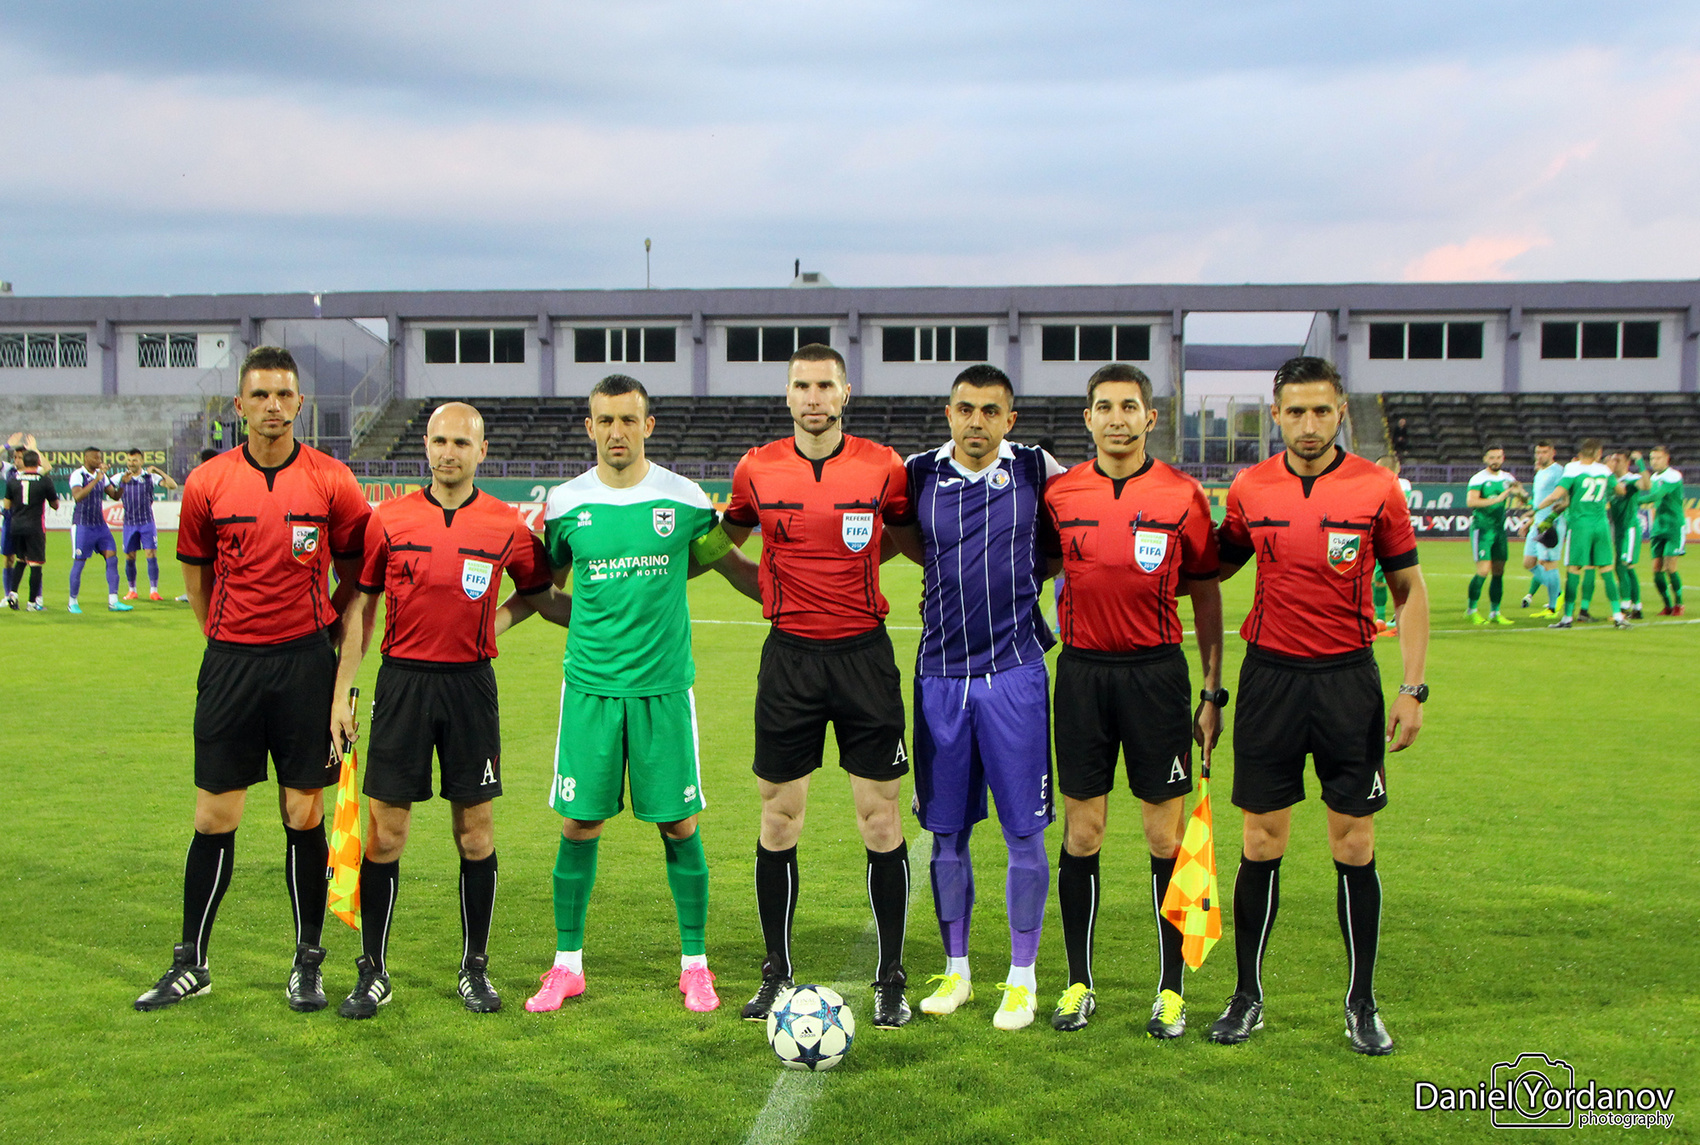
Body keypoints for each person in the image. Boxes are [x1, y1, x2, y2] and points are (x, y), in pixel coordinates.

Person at [134, 346, 371, 1013]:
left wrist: (333, 658)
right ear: (239, 405)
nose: (273, 406)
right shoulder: (208, 482)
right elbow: (196, 578)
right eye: (260, 395)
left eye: (283, 394)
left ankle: (308, 963)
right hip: (231, 664)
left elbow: (359, 582)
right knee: (214, 816)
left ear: (300, 404)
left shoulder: (332, 480)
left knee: (304, 813)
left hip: (305, 666)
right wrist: (226, 639)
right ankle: (192, 963)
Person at [1209, 356, 1428, 1056]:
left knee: (1354, 843)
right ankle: (1247, 996)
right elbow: (1213, 565)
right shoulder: (1250, 487)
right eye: (1296, 411)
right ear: (1275, 415)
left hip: (1346, 682)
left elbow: (1409, 590)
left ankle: (1362, 1003)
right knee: (1260, 842)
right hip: (1270, 680)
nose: (1309, 424)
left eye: (1322, 411)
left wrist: (1412, 687)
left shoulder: (1376, 487)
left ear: (1341, 413)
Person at [527, 374, 759, 1016]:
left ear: (648, 425)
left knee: (680, 824)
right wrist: (591, 622)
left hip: (663, 690)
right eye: (605, 420)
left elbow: (726, 563)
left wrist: (790, 593)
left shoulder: (683, 499)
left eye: (628, 420)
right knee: (578, 824)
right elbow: (546, 588)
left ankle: (696, 966)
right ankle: (566, 965)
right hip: (591, 689)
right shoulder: (565, 505)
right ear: (589, 427)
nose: (617, 432)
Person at [328, 402, 557, 1019]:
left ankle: (474, 968)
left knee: (475, 834)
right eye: (439, 441)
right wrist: (342, 693)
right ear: (425, 447)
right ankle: (372, 971)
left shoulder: (507, 525)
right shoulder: (389, 519)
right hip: (402, 685)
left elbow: (540, 596)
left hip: (470, 689)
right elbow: (361, 609)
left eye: (461, 442)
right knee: (386, 833)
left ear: (482, 451)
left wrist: (492, 627)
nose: (448, 452)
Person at [721, 343, 919, 1030]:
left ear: (845, 393)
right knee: (779, 817)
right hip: (790, 659)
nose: (813, 397)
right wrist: (765, 587)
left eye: (825, 386)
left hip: (864, 656)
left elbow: (907, 538)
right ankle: (776, 973)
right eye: (802, 386)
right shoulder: (755, 468)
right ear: (787, 394)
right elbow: (719, 542)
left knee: (880, 818)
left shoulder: (884, 466)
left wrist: (861, 564)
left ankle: (890, 978)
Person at [1040, 364, 1224, 1038]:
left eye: (1129, 406)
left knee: (1163, 836)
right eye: (1104, 407)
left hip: (1156, 677)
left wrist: (1212, 690)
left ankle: (1171, 990)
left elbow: (1206, 594)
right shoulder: (1060, 494)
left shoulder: (1182, 494)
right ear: (1087, 418)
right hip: (1082, 676)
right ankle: (1078, 984)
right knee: (1082, 832)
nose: (1116, 418)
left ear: (1151, 417)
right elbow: (1032, 570)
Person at [893, 364, 1064, 1032]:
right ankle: (957, 970)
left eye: (991, 411)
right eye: (965, 409)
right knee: (945, 833)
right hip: (940, 675)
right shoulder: (918, 474)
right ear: (949, 413)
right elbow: (909, 542)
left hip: (1014, 673)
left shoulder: (1035, 469)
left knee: (1025, 831)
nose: (976, 422)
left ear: (1009, 420)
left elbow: (1064, 544)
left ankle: (1022, 978)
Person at [1534, 438, 1629, 630]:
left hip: (1580, 526)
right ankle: (1619, 616)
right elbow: (1621, 490)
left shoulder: (1572, 469)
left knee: (1574, 570)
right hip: (1601, 525)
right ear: (1598, 453)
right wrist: (1610, 473)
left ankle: (1567, 617)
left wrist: (1535, 509)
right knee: (1606, 570)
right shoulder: (1604, 470)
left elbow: (1556, 495)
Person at [67, 446, 131, 613]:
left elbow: (115, 496)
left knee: (112, 557)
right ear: (86, 458)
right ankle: (72, 601)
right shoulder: (78, 475)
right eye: (95, 458)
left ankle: (113, 600)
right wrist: (96, 479)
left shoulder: (101, 476)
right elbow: (78, 496)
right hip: (82, 525)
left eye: (100, 458)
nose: (99, 461)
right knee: (79, 562)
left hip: (100, 526)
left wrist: (123, 483)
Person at [1464, 446, 1523, 626]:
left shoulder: (1508, 478)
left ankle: (1495, 612)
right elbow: (1471, 501)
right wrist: (1496, 499)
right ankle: (1471, 610)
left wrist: (1521, 495)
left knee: (1499, 571)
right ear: (1485, 459)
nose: (1495, 461)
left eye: (1498, 457)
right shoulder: (1479, 478)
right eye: (1491, 457)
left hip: (1499, 530)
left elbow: (1522, 496)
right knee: (1483, 571)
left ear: (1503, 458)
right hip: (1482, 529)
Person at [113, 448, 179, 601]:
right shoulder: (120, 477)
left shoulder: (150, 477)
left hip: (147, 522)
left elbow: (172, 485)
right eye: (129, 460)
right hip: (129, 523)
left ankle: (154, 591)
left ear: (141, 461)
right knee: (130, 556)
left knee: (151, 554)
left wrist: (157, 470)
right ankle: (132, 590)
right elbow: (108, 488)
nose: (131, 463)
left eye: (134, 460)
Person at [2, 450, 58, 610]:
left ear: (24, 463)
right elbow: (55, 505)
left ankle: (13, 594)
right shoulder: (44, 481)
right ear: (38, 463)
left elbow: (7, 505)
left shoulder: (13, 480)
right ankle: (32, 603)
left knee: (20, 560)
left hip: (16, 526)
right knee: (35, 564)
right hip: (34, 526)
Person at [1519, 440, 1565, 618]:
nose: (1540, 456)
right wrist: (1530, 522)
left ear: (1553, 452)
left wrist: (1550, 517)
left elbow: (1562, 497)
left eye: (1544, 452)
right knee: (1528, 563)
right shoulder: (1540, 472)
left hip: (1550, 525)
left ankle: (1552, 608)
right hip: (1537, 524)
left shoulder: (1558, 472)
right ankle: (1558, 592)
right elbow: (1539, 501)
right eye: (1538, 452)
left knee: (1548, 563)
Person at [1372, 455, 1412, 636]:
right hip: (1383, 536)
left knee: (1398, 580)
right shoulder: (1400, 484)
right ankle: (1380, 621)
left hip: (1395, 538)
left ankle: (1400, 623)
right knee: (1379, 579)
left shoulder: (1399, 485)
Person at [1644, 446, 1685, 616]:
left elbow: (1656, 496)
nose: (1654, 462)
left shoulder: (1673, 475)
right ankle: (1667, 605)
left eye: (1658, 458)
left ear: (1667, 458)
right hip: (1659, 527)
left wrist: (1633, 501)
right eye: (1652, 458)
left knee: (1670, 567)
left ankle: (1679, 604)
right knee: (1656, 570)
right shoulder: (1654, 477)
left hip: (1674, 527)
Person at [175, 448, 221, 602]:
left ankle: (198, 592)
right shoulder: (222, 479)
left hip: (207, 530)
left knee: (197, 561)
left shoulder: (200, 479)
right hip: (220, 529)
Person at [1606, 451, 1647, 620]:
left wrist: (1641, 462)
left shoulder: (1631, 479)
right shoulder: (1610, 481)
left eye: (1618, 460)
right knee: (1628, 568)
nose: (1614, 462)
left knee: (1621, 566)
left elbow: (1646, 485)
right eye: (1613, 460)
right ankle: (1637, 607)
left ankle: (1624, 608)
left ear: (1627, 462)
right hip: (1618, 529)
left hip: (1630, 528)